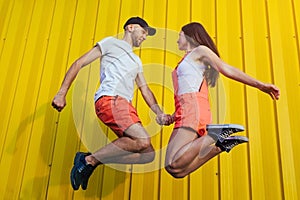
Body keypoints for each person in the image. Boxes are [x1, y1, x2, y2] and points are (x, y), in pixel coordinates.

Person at [52, 17, 172, 190]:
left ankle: (90, 160)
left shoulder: (136, 61)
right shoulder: (110, 43)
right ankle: (89, 161)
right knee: (143, 140)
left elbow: (145, 90)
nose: (145, 37)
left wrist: (159, 113)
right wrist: (61, 93)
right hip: (111, 99)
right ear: (130, 27)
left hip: (126, 106)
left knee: (148, 155)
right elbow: (79, 63)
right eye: (144, 31)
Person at [157, 22, 280, 178]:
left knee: (173, 163)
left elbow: (226, 69)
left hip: (192, 111)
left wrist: (260, 85)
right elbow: (188, 91)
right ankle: (220, 146)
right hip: (187, 110)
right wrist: (172, 116)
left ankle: (215, 134)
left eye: (180, 35)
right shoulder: (187, 60)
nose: (177, 39)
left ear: (190, 35)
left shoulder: (200, 51)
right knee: (176, 171)